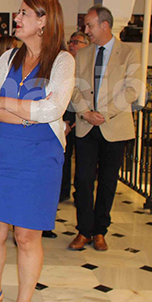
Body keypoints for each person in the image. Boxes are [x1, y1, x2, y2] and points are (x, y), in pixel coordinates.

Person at [0, 0, 74, 302]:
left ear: (43, 21)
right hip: (3, 151)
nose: (16, 18)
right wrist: (25, 114)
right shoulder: (8, 56)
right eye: (19, 12)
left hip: (40, 157)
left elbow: (53, 110)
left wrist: (6, 103)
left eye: (24, 13)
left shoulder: (62, 61)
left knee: (27, 237)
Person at [68, 5, 142, 251]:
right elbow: (73, 88)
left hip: (114, 126)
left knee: (108, 182)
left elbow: (132, 89)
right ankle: (84, 231)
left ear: (104, 25)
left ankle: (100, 231)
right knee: (83, 180)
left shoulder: (129, 53)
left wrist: (105, 114)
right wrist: (86, 113)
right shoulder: (83, 54)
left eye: (89, 25)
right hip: (86, 126)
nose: (86, 30)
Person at [59, 31, 90, 203]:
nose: (71, 45)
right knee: (64, 155)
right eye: (70, 42)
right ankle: (63, 191)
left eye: (76, 42)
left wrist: (84, 114)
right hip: (66, 115)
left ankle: (81, 193)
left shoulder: (89, 64)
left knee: (84, 161)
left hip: (85, 117)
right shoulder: (64, 62)